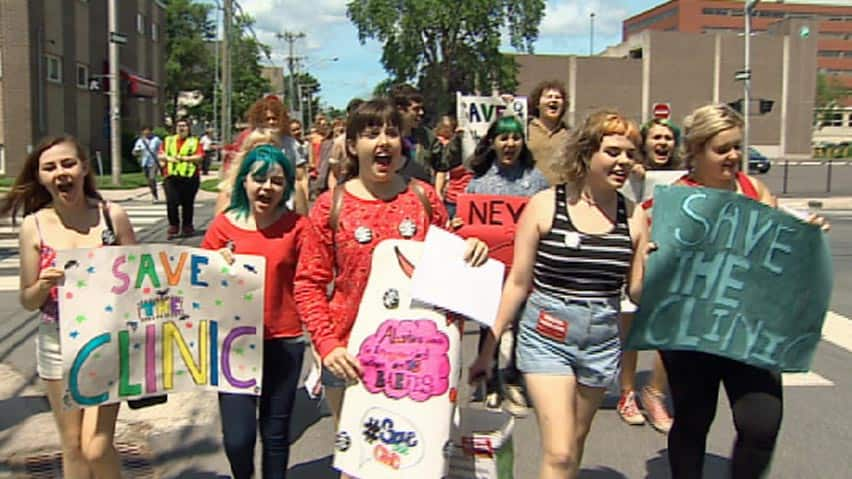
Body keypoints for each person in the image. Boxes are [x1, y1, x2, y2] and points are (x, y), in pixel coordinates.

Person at [293, 98, 488, 478]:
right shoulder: (328, 207)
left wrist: (470, 252)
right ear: (351, 146)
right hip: (348, 357)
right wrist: (326, 344)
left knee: (414, 463)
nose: (383, 141)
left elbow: (449, 271)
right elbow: (308, 283)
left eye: (391, 132)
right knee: (361, 464)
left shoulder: (423, 198)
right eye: (371, 134)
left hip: (417, 357)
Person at [634, 103, 827, 479]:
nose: (734, 156)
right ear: (696, 152)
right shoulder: (674, 201)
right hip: (691, 334)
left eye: (737, 146)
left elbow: (777, 247)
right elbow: (643, 259)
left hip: (750, 331)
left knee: (761, 423)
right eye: (723, 149)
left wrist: (805, 235)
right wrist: (647, 252)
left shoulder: (755, 190)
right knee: (693, 419)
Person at [469, 110, 649, 479]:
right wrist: (489, 347)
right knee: (561, 451)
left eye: (631, 153)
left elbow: (635, 292)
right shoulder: (546, 205)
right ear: (587, 152)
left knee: (576, 443)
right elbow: (517, 283)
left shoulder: (634, 217)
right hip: (546, 335)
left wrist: (652, 263)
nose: (624, 162)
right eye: (614, 151)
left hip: (601, 338)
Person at [1, 135, 137, 478]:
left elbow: (144, 279)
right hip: (56, 343)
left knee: (97, 446)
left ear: (84, 168)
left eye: (68, 164)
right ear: (41, 177)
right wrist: (43, 284)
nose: (61, 172)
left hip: (108, 343)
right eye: (50, 167)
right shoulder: (34, 226)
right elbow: (28, 301)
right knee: (73, 445)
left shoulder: (111, 216)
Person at [202, 144, 307, 479]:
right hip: (233, 344)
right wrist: (216, 264)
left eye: (277, 182)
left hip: (284, 339)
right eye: (258, 179)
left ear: (287, 187)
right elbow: (197, 281)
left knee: (275, 435)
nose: (266, 188)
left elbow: (311, 282)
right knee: (238, 439)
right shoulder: (223, 227)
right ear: (244, 183)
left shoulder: (298, 227)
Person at [454, 115, 549, 414]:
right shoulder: (478, 183)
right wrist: (459, 225)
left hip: (526, 266)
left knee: (524, 323)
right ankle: (491, 379)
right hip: (490, 268)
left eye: (515, 138)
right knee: (488, 324)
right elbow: (466, 225)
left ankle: (515, 376)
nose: (510, 144)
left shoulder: (537, 180)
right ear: (492, 143)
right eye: (503, 138)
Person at [616, 117, 682, 432]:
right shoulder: (629, 172)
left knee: (668, 332)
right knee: (630, 330)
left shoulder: (685, 178)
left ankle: (655, 392)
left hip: (672, 262)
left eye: (668, 137)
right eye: (656, 136)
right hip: (634, 260)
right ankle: (627, 392)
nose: (663, 142)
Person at [226, 96, 309, 215]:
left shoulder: (291, 144)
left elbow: (301, 177)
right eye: (267, 119)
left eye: (274, 118)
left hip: (286, 202)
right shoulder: (252, 140)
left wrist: (301, 200)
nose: (271, 122)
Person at [215, 129, 281, 214]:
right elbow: (220, 222)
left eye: (270, 148)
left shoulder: (287, 184)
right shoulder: (229, 189)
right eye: (259, 149)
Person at [159, 118, 204, 239]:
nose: (181, 128)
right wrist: (167, 159)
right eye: (179, 126)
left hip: (189, 177)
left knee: (187, 203)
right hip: (171, 176)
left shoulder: (194, 141)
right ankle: (173, 225)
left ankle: (187, 226)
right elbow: (161, 155)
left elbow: (200, 157)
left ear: (189, 128)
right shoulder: (168, 140)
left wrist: (184, 158)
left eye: (184, 126)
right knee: (171, 202)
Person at [526, 80, 571, 185]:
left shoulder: (571, 136)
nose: (553, 100)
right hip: (528, 192)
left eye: (558, 97)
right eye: (549, 96)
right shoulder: (524, 129)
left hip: (559, 194)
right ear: (537, 103)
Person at [391, 83, 435, 183]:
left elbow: (443, 163)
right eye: (416, 109)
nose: (421, 113)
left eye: (422, 108)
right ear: (400, 110)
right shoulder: (385, 138)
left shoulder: (427, 136)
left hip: (422, 191)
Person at [431, 115, 472, 218]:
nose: (446, 130)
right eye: (444, 127)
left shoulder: (466, 143)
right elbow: (442, 169)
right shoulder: (438, 144)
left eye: (448, 127)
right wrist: (438, 193)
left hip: (468, 197)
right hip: (451, 198)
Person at [131, 125, 163, 202]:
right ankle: (153, 193)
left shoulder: (156, 140)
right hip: (144, 162)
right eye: (145, 131)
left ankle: (155, 197)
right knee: (149, 181)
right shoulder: (140, 141)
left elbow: (162, 149)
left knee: (152, 178)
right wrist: (137, 152)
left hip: (154, 162)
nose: (146, 132)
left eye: (148, 130)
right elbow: (134, 152)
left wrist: (161, 159)